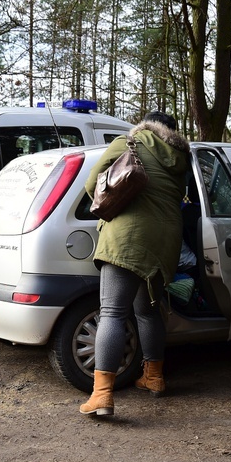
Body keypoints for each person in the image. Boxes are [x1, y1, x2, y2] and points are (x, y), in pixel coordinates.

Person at [79, 111, 189, 416]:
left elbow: (92, 183)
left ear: (145, 125)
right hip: (165, 239)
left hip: (128, 237)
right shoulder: (182, 157)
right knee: (149, 310)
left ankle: (102, 395)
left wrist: (111, 204)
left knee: (113, 313)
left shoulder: (130, 142)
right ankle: (154, 378)